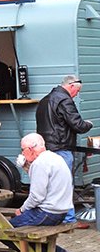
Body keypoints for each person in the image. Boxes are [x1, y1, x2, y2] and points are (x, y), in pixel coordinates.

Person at [3, 133, 74, 252]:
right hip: (60, 210)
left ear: (30, 149)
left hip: (48, 212)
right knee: (16, 224)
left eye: (22, 150)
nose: (22, 153)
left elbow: (36, 197)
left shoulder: (40, 163)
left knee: (5, 230)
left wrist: (22, 209)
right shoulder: (54, 157)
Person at [36, 75, 93, 225]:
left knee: (51, 185)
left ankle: (52, 218)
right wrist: (88, 124)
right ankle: (69, 219)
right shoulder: (64, 100)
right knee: (65, 184)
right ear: (71, 86)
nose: (76, 95)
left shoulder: (44, 100)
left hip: (46, 148)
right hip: (61, 148)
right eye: (77, 91)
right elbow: (78, 125)